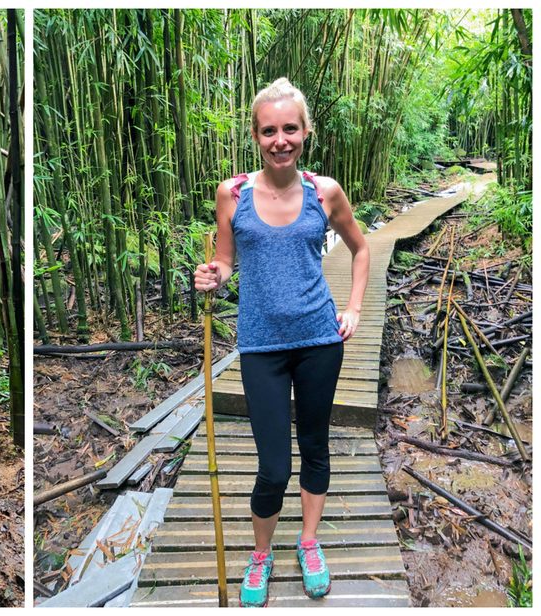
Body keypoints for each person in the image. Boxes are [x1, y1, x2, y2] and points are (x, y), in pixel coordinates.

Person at [193, 78, 369, 607]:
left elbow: (360, 250)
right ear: (256, 135)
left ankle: (310, 542)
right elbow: (226, 258)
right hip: (261, 347)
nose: (280, 140)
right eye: (269, 131)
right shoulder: (233, 193)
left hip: (319, 339)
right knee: (274, 466)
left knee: (315, 447)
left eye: (289, 128)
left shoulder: (325, 191)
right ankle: (262, 553)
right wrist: (214, 274)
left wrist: (355, 307)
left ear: (305, 131)